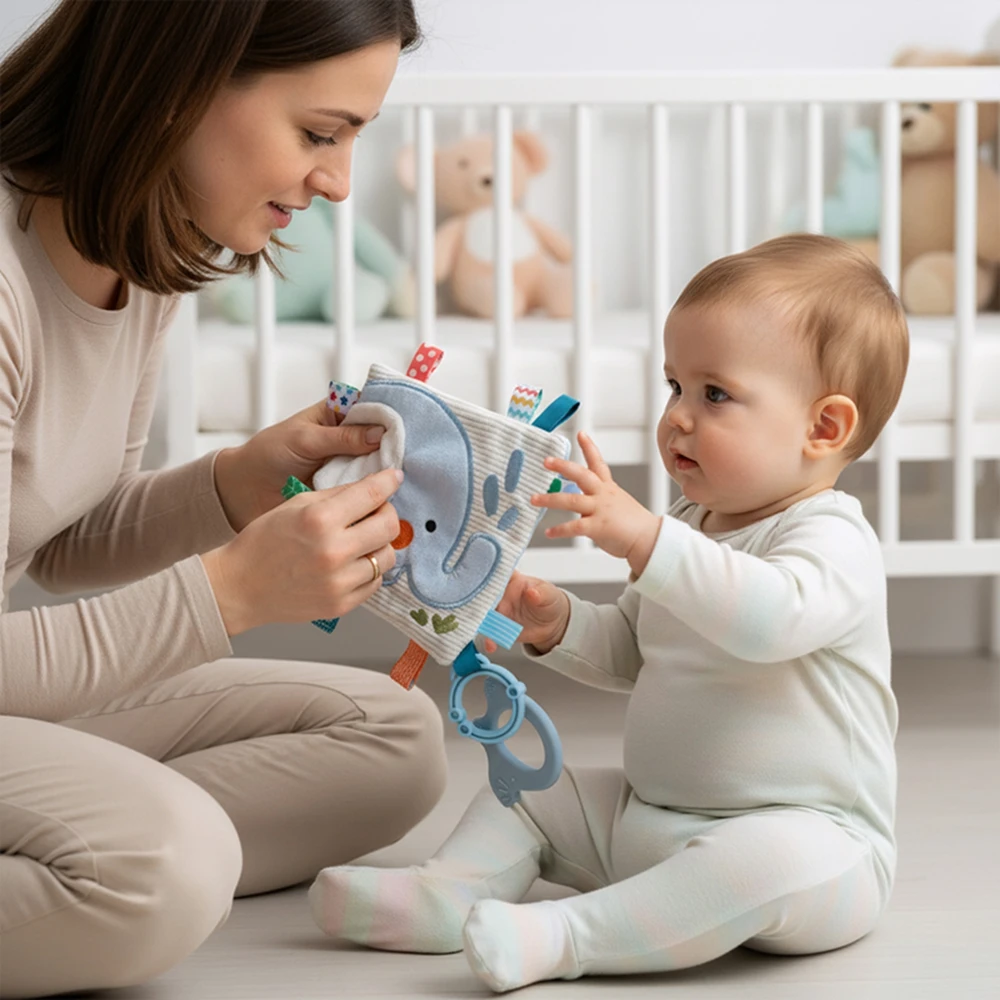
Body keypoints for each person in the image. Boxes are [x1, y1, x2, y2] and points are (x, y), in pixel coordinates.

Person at [310, 233, 910, 993]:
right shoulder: (693, 523)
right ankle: (446, 891)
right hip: (651, 815)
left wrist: (648, 540)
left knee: (764, 861)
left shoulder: (831, 539)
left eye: (714, 394)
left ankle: (567, 937)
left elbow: (769, 622)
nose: (679, 418)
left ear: (823, 428)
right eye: (673, 387)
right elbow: (634, 648)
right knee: (533, 792)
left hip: (816, 849)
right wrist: (555, 620)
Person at [0, 3, 447, 996]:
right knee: (165, 862)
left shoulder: (132, 253)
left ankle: (75, 845)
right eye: (319, 133)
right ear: (179, 83)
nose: (337, 182)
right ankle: (113, 855)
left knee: (394, 739)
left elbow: (56, 539)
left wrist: (236, 483)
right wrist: (231, 592)